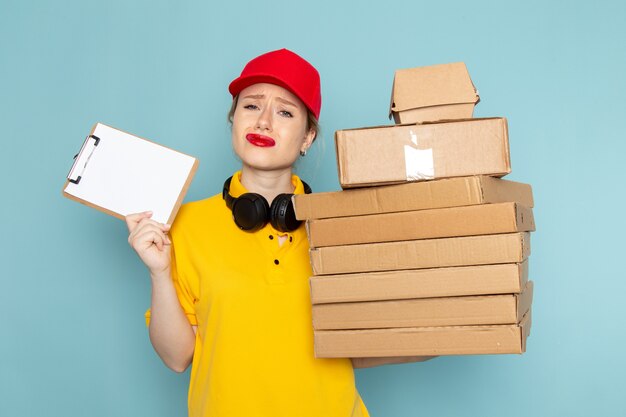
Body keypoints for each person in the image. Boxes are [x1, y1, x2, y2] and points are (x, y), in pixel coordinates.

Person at [125, 49, 370, 417]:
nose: (264, 122)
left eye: (285, 112)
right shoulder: (184, 224)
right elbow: (177, 358)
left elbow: (380, 339)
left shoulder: (343, 226)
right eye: (251, 106)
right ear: (234, 119)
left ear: (308, 137)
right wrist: (159, 271)